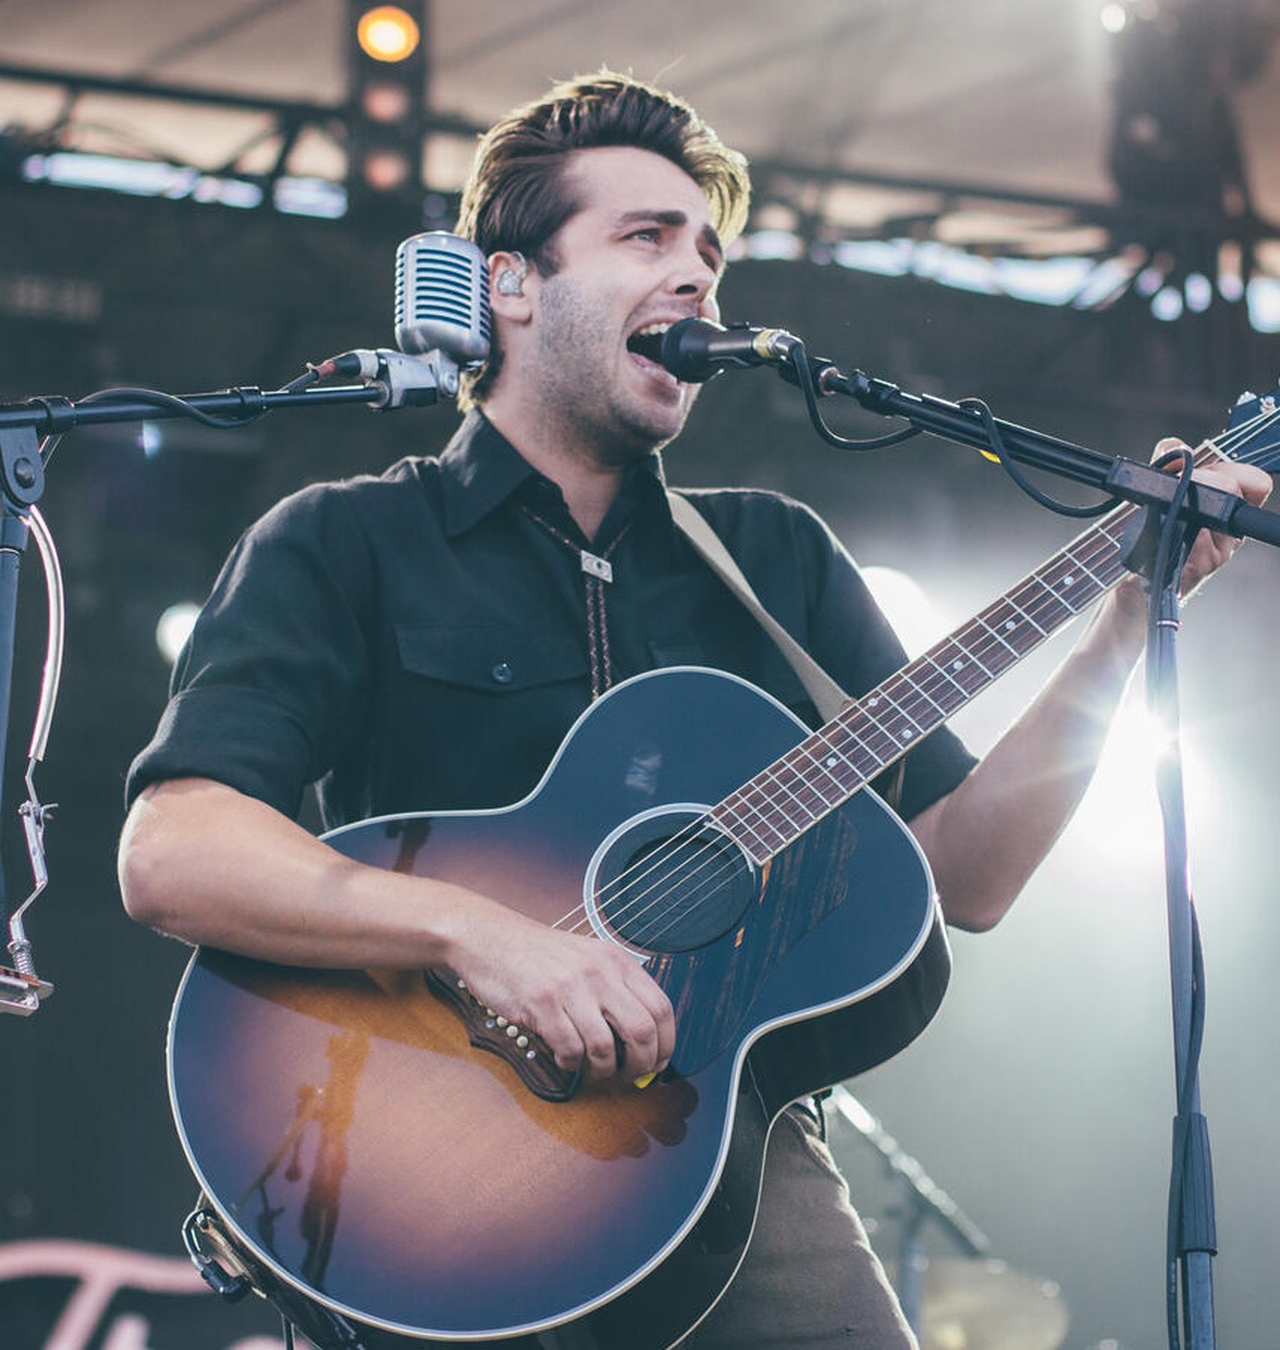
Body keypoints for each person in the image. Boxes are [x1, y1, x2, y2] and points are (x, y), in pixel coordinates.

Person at [118, 71, 1270, 1349]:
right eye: (646, 237)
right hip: (421, 1151)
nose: (695, 280)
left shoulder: (772, 562)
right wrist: (477, 934)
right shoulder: (349, 540)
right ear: (510, 284)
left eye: (710, 254)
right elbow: (175, 850)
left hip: (731, 1153)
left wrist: (1120, 620)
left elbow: (967, 870)